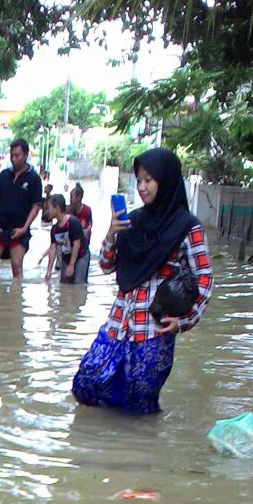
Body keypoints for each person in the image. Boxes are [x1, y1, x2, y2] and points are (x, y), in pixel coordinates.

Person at [72, 148, 214, 414]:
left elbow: (204, 277)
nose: (141, 187)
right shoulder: (132, 221)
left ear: (166, 180)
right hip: (118, 325)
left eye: (149, 180)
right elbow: (106, 266)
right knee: (86, 386)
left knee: (140, 407)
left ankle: (142, 442)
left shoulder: (187, 227)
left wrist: (186, 320)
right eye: (139, 180)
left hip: (153, 332)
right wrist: (111, 234)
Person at [0, 139, 43, 279]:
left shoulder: (34, 179)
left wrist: (24, 228)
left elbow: (36, 206)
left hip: (19, 230)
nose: (14, 159)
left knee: (17, 268)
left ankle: (17, 293)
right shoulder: (3, 175)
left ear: (26, 155)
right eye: (12, 155)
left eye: (17, 155)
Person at [41, 194, 89, 284]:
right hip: (66, 257)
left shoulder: (73, 222)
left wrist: (71, 265)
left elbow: (77, 244)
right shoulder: (54, 229)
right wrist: (49, 271)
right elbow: (53, 249)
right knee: (64, 283)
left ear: (56, 208)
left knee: (78, 282)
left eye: (49, 207)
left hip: (81, 256)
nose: (47, 211)